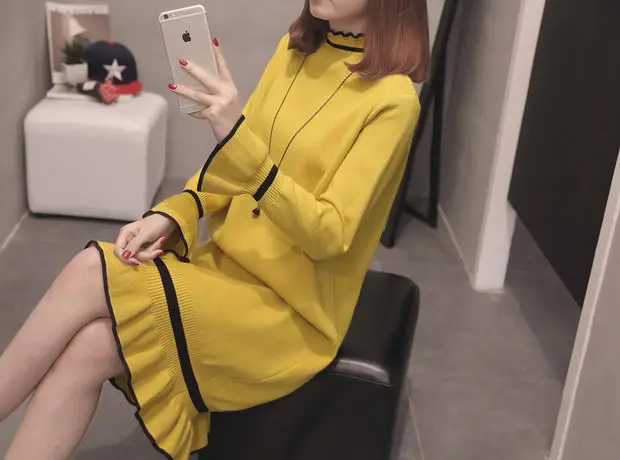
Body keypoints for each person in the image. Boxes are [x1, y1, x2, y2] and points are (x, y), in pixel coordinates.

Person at [0, 0, 429, 458]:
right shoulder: (294, 50)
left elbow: (330, 234)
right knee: (91, 346)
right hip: (227, 270)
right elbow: (233, 168)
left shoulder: (393, 101)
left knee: (91, 268)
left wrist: (237, 138)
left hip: (291, 313)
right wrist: (177, 211)